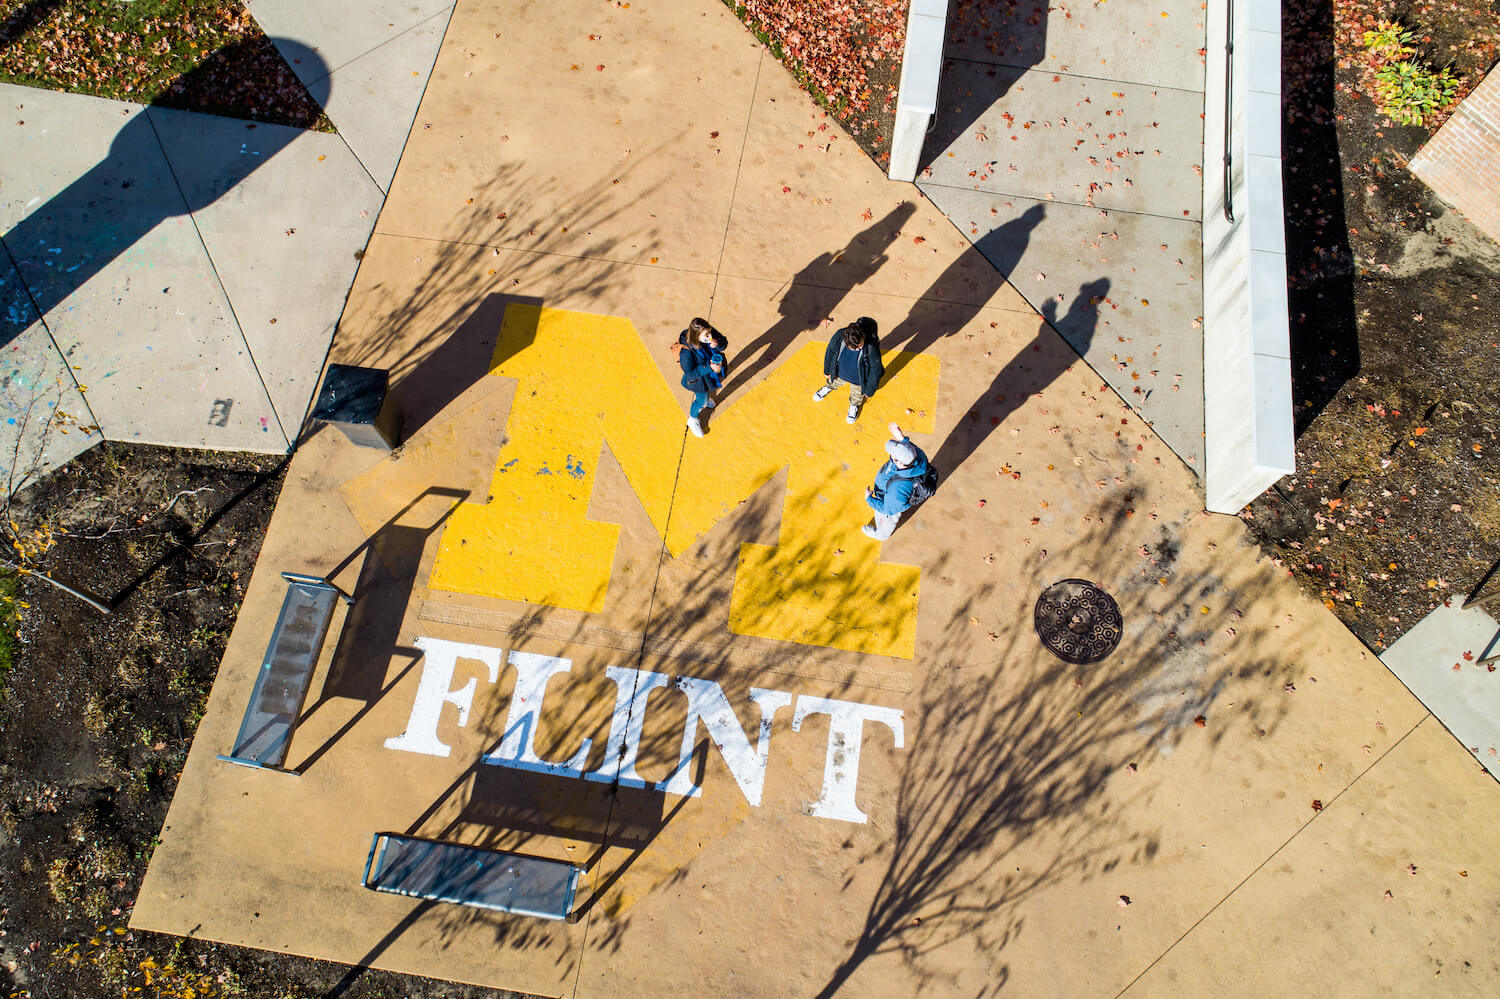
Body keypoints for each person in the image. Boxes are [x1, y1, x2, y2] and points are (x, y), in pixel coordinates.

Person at [863, 422, 933, 540]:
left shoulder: (899, 488)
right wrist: (902, 439)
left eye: (893, 455)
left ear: (899, 463)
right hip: (890, 495)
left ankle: (879, 535)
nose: (891, 455)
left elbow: (888, 509)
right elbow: (908, 450)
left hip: (887, 503)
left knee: (886, 524)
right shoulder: (917, 456)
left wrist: (869, 499)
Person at [814, 317, 884, 424]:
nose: (857, 349)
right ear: (846, 342)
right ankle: (828, 387)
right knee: (832, 382)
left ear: (863, 336)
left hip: (859, 380)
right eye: (854, 348)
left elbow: (876, 369)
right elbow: (831, 350)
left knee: (857, 395)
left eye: (859, 346)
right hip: (838, 373)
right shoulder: (839, 335)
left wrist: (869, 389)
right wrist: (827, 370)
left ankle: (854, 405)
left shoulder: (871, 347)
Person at [675, 317, 728, 438]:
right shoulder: (686, 353)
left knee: (710, 389)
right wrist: (709, 368)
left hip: (709, 375)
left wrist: (717, 343)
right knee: (701, 400)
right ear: (696, 336)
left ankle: (706, 399)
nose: (710, 335)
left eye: (710, 332)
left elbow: (724, 343)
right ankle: (692, 419)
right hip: (698, 381)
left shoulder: (706, 332)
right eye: (707, 334)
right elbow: (690, 374)